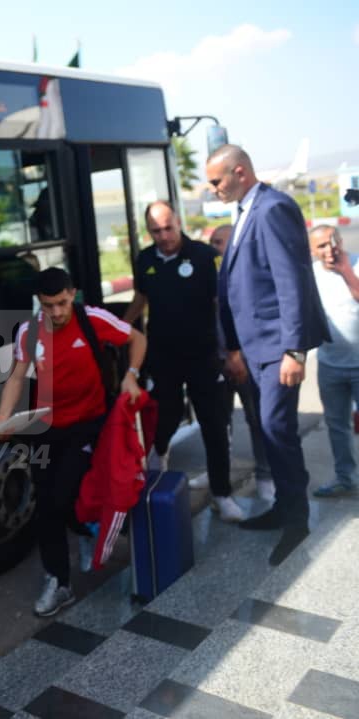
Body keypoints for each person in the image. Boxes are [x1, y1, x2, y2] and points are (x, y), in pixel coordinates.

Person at [0, 267, 146, 616]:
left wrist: (132, 376)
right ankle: (59, 582)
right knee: (46, 505)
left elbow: (138, 339)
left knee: (65, 497)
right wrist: (3, 417)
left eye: (62, 303)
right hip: (47, 428)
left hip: (89, 425)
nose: (57, 312)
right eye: (49, 305)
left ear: (73, 294)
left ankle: (85, 527)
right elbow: (17, 377)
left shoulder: (92, 319)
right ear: (39, 302)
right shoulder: (29, 332)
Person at [208, 144, 330, 566]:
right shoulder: (244, 211)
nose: (212, 189)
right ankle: (283, 505)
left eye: (216, 180)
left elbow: (291, 280)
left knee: (277, 429)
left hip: (277, 347)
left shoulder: (273, 207)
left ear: (239, 172)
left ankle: (297, 521)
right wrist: (234, 346)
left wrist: (295, 351)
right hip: (254, 347)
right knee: (268, 428)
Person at [123, 202, 242, 521]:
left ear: (178, 222)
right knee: (165, 417)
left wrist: (232, 350)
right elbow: (141, 299)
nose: (163, 236)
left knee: (214, 425)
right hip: (163, 356)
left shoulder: (204, 256)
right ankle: (158, 464)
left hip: (203, 356)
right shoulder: (145, 259)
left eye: (168, 228)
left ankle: (222, 494)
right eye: (156, 231)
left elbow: (222, 305)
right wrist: (120, 329)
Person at [209, 225, 274, 499]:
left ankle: (265, 476)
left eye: (219, 242)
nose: (214, 248)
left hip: (247, 361)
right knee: (218, 423)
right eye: (212, 242)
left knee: (257, 420)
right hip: (217, 361)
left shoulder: (248, 276)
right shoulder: (209, 276)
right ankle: (219, 472)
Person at [308, 225, 359, 497]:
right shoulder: (310, 274)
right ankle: (344, 477)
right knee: (338, 426)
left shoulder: (356, 263)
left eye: (332, 242)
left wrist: (346, 271)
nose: (329, 250)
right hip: (330, 365)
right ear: (312, 250)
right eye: (321, 246)